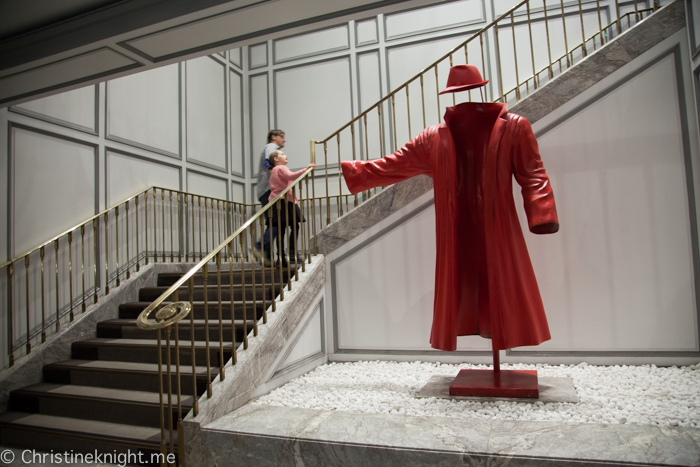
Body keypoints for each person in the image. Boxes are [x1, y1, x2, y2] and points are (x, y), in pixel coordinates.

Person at [341, 65, 559, 353]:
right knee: (465, 285)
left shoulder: (515, 127)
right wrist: (355, 171)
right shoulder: (434, 138)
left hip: (498, 225)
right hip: (456, 231)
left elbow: (532, 174)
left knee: (503, 283)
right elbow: (394, 165)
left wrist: (542, 214)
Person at [267, 150, 315, 267]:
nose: (286, 155)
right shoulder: (281, 168)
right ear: (276, 159)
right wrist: (306, 169)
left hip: (275, 202)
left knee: (280, 230)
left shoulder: (273, 171)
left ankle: (281, 257)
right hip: (285, 201)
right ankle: (292, 253)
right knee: (294, 226)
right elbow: (291, 176)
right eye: (282, 154)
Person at [253, 130, 285, 265]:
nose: (284, 140)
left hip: (265, 191)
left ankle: (265, 254)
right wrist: (277, 172)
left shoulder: (270, 148)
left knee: (275, 223)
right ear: (273, 137)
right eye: (282, 137)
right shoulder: (271, 147)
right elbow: (268, 162)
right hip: (268, 191)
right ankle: (260, 247)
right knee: (277, 222)